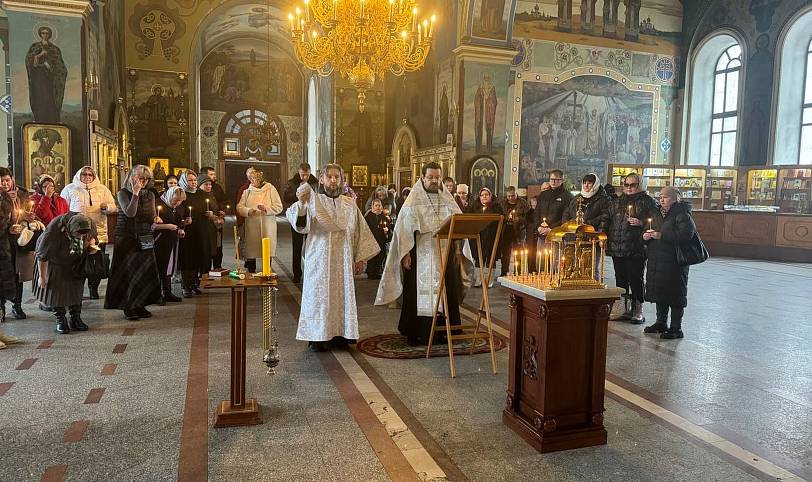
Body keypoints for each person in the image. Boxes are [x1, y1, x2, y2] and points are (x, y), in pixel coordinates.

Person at [376, 162, 474, 346]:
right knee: (417, 292)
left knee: (446, 291)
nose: (434, 181)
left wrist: (458, 250)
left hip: (444, 254)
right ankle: (418, 332)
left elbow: (458, 223)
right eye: (430, 177)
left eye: (437, 177)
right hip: (420, 253)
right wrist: (405, 254)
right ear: (422, 178)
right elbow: (404, 230)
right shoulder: (413, 200)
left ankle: (444, 331)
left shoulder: (448, 200)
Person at [286, 164, 379, 351]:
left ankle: (341, 336)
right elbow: (300, 226)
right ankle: (318, 337)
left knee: (341, 297)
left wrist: (360, 258)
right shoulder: (313, 201)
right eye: (329, 177)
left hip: (343, 261)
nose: (334, 180)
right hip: (319, 260)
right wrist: (302, 205)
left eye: (337, 177)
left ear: (342, 180)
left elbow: (359, 232)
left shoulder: (350, 204)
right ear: (321, 179)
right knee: (319, 299)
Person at [104, 166, 162, 320]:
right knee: (128, 272)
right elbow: (130, 213)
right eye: (140, 178)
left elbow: (151, 214)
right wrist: (135, 194)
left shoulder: (150, 194)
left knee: (144, 271)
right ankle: (128, 306)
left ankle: (141, 303)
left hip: (144, 235)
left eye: (146, 179)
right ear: (131, 177)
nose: (143, 182)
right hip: (126, 237)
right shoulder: (122, 193)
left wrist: (155, 218)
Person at [642, 187, 696, 339]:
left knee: (675, 293)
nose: (661, 199)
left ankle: (676, 328)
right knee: (660, 291)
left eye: (665, 197)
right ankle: (661, 323)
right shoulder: (656, 213)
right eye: (660, 196)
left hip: (674, 261)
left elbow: (686, 234)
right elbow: (647, 229)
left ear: (675, 199)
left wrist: (661, 235)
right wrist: (645, 236)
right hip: (657, 259)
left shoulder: (682, 213)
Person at [605, 172, 658, 324]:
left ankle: (637, 309)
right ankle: (622, 309)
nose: (629, 187)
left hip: (636, 247)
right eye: (626, 184)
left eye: (632, 185)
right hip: (617, 246)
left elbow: (655, 221)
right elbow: (607, 219)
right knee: (620, 279)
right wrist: (604, 236)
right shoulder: (616, 202)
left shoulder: (648, 202)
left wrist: (641, 223)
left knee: (636, 278)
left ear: (639, 185)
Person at [33, 213, 95, 334]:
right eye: (78, 234)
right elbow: (42, 256)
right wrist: (42, 277)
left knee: (76, 289)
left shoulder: (88, 223)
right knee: (56, 291)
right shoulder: (53, 231)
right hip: (54, 262)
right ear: (70, 229)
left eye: (83, 234)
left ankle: (75, 318)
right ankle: (60, 320)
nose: (81, 236)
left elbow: (92, 237)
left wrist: (91, 244)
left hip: (74, 261)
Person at [60, 166, 117, 299]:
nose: (87, 177)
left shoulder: (102, 189)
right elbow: (63, 208)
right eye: (84, 174)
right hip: (77, 233)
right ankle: (77, 289)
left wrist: (107, 207)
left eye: (90, 174)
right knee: (76, 261)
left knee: (95, 261)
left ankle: (93, 288)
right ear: (79, 175)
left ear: (94, 176)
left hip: (98, 232)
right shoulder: (70, 189)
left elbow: (113, 206)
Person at [0, 168, 37, 320]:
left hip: (19, 241)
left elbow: (24, 213)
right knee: (3, 275)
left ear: (12, 179)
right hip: (2, 242)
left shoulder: (21, 194)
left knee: (18, 273)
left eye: (7, 180)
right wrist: (8, 228)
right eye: (2, 181)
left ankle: (17, 305)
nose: (5, 184)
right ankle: (1, 307)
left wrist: (28, 217)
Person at [237, 169, 282, 274]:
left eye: (255, 179)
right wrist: (248, 211)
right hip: (252, 226)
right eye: (251, 178)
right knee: (251, 251)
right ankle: (251, 272)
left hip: (268, 226)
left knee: (267, 250)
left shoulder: (270, 189)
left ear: (261, 179)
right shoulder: (247, 191)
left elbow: (279, 207)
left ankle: (266, 272)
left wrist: (266, 209)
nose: (253, 181)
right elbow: (239, 207)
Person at [529, 170, 573, 270]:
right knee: (540, 264)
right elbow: (536, 213)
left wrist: (551, 229)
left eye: (556, 180)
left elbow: (565, 218)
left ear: (562, 180)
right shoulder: (544, 194)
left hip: (556, 236)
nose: (553, 182)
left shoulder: (567, 196)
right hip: (542, 235)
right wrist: (538, 227)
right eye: (551, 179)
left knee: (555, 265)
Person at [282, 163, 318, 283]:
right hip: (297, 216)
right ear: (299, 172)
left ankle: (310, 273)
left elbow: (319, 198)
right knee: (297, 247)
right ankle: (297, 274)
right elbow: (286, 198)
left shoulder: (315, 182)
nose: (305, 177)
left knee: (311, 247)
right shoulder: (292, 182)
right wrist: (298, 195)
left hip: (311, 216)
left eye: (307, 175)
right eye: (303, 175)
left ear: (310, 172)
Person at [178, 171, 211, 297]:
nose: (193, 183)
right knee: (187, 257)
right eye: (190, 180)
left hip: (200, 228)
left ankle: (193, 284)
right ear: (185, 181)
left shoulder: (201, 193)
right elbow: (177, 211)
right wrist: (184, 221)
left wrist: (210, 213)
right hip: (187, 229)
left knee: (198, 255)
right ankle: (185, 285)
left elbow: (207, 208)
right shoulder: (182, 194)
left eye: (195, 180)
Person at [154, 186, 186, 303]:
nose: (176, 204)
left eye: (179, 201)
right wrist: (167, 226)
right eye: (175, 201)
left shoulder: (178, 207)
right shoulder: (158, 204)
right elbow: (152, 225)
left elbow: (179, 221)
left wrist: (181, 229)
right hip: (159, 241)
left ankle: (167, 292)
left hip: (171, 240)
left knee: (169, 267)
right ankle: (157, 295)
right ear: (170, 196)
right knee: (160, 267)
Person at [499, 186, 530, 276]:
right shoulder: (502, 203)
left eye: (512, 196)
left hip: (519, 231)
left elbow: (528, 217)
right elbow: (499, 215)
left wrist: (519, 219)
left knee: (518, 253)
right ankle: (504, 272)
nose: (510, 198)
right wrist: (505, 218)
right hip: (506, 231)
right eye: (508, 196)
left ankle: (518, 272)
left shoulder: (523, 203)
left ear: (516, 194)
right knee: (505, 254)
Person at [201, 167, 226, 268]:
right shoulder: (199, 196)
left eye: (210, 184)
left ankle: (217, 269)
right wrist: (214, 217)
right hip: (206, 229)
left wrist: (220, 213)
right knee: (207, 252)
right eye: (206, 184)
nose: (209, 186)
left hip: (216, 227)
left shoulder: (213, 193)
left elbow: (220, 204)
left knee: (217, 249)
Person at [365, 198, 392, 280]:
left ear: (382, 207)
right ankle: (370, 272)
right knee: (372, 257)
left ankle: (378, 271)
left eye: (379, 205)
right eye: (376, 205)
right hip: (372, 240)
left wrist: (387, 231)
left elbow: (389, 228)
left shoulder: (385, 217)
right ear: (372, 207)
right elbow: (365, 229)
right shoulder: (368, 217)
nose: (378, 207)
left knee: (381, 256)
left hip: (381, 240)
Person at [235, 167, 256, 272]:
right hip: (246, 220)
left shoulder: (263, 187)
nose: (252, 175)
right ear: (247, 176)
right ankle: (249, 264)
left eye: (254, 173)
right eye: (250, 173)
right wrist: (240, 222)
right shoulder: (244, 189)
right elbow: (239, 206)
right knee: (247, 243)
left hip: (258, 221)